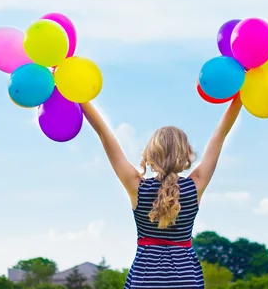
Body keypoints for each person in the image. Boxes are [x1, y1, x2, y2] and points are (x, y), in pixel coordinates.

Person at [81, 97, 242, 289]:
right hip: (186, 279)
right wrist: (239, 97)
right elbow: (220, 134)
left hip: (145, 278)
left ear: (150, 153)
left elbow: (103, 133)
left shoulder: (137, 187)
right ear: (186, 154)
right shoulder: (194, 187)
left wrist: (79, 96)